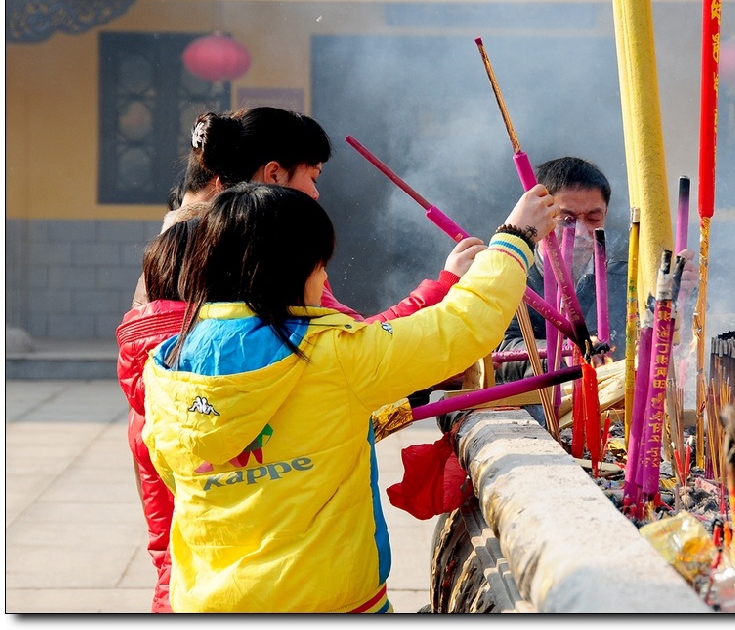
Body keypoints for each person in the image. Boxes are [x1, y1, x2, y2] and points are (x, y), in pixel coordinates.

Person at [140, 181, 557, 612]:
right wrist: (515, 238)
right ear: (296, 267)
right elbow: (460, 327)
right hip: (327, 600)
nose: (324, 278)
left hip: (207, 601)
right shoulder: (332, 354)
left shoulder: (168, 362)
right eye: (321, 265)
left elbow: (174, 472)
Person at [134, 107, 485, 321]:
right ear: (272, 175)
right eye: (313, 177)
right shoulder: (260, 256)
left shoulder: (168, 249)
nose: (316, 194)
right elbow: (356, 346)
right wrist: (445, 285)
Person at [493, 157, 696, 390]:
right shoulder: (512, 277)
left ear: (605, 214)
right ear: (539, 214)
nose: (580, 232)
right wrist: (565, 353)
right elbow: (501, 349)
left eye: (593, 218)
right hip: (536, 409)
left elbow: (670, 347)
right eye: (567, 219)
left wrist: (679, 301)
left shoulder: (628, 280)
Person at [116, 214, 205, 613]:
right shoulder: (202, 364)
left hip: (174, 591)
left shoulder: (143, 392)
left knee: (166, 555)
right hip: (208, 592)